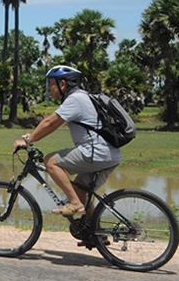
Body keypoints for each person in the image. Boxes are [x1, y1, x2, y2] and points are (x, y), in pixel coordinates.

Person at [13, 65, 121, 216]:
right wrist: (32, 138)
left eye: (51, 84)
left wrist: (28, 141)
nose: (50, 88)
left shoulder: (75, 99)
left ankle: (74, 203)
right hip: (111, 155)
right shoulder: (84, 96)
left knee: (50, 161)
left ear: (62, 84)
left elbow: (50, 123)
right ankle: (96, 238)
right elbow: (53, 125)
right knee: (81, 192)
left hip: (95, 152)